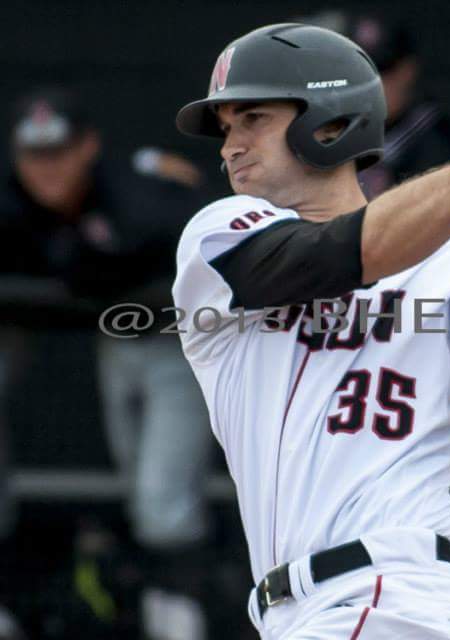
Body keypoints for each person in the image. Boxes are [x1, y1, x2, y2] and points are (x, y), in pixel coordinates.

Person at [172, 22, 450, 639]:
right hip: (301, 611)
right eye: (227, 128)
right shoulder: (220, 233)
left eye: (253, 119)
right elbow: (346, 252)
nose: (231, 146)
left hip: (390, 596)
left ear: (332, 123)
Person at [0, 88, 214, 638]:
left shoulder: (139, 197)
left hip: (178, 341)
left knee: (162, 499)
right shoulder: (15, 204)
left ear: (88, 146)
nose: (48, 169)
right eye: (35, 156)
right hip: (114, 343)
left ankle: (187, 610)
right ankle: (160, 601)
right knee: (138, 487)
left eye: (59, 153)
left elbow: (221, 257)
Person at [298, 10, 450, 198]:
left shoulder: (434, 140)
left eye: (380, 70)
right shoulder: (331, 131)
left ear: (407, 70)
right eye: (357, 71)